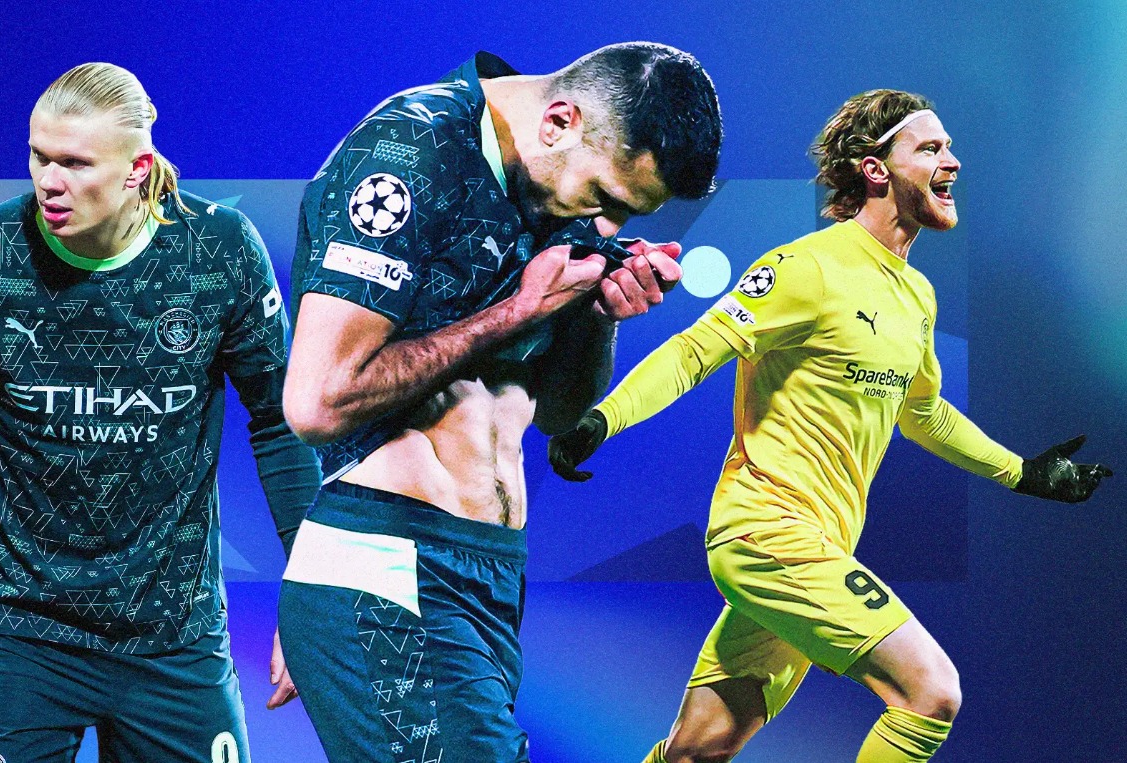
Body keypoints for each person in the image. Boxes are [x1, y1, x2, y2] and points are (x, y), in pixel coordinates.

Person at [548, 89, 1113, 763]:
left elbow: (922, 411)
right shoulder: (805, 266)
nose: (953, 161)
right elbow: (697, 349)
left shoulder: (916, 294)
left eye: (949, 147)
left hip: (822, 543)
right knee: (930, 691)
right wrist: (601, 419)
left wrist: (1022, 472)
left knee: (698, 751)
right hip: (767, 532)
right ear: (876, 170)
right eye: (931, 148)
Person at [275, 44, 722, 761]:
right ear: (559, 121)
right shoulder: (410, 151)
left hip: (491, 574)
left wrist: (598, 307)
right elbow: (318, 403)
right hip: (388, 565)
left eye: (627, 213)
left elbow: (554, 414)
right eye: (607, 199)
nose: (607, 225)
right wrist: (515, 312)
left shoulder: (561, 180)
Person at [0, 62, 319, 763]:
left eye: (75, 163)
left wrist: (310, 594)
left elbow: (281, 423)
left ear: (137, 169)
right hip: (20, 635)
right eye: (38, 157)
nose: (48, 181)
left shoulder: (220, 252)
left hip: (173, 637)